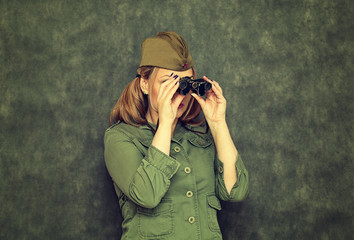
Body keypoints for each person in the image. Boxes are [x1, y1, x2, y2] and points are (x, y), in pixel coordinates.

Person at [104, 31, 249, 240]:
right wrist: (166, 123)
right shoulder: (121, 137)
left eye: (185, 84)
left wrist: (217, 124)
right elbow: (147, 195)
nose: (179, 93)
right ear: (145, 84)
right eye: (168, 83)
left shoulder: (198, 137)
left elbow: (234, 191)